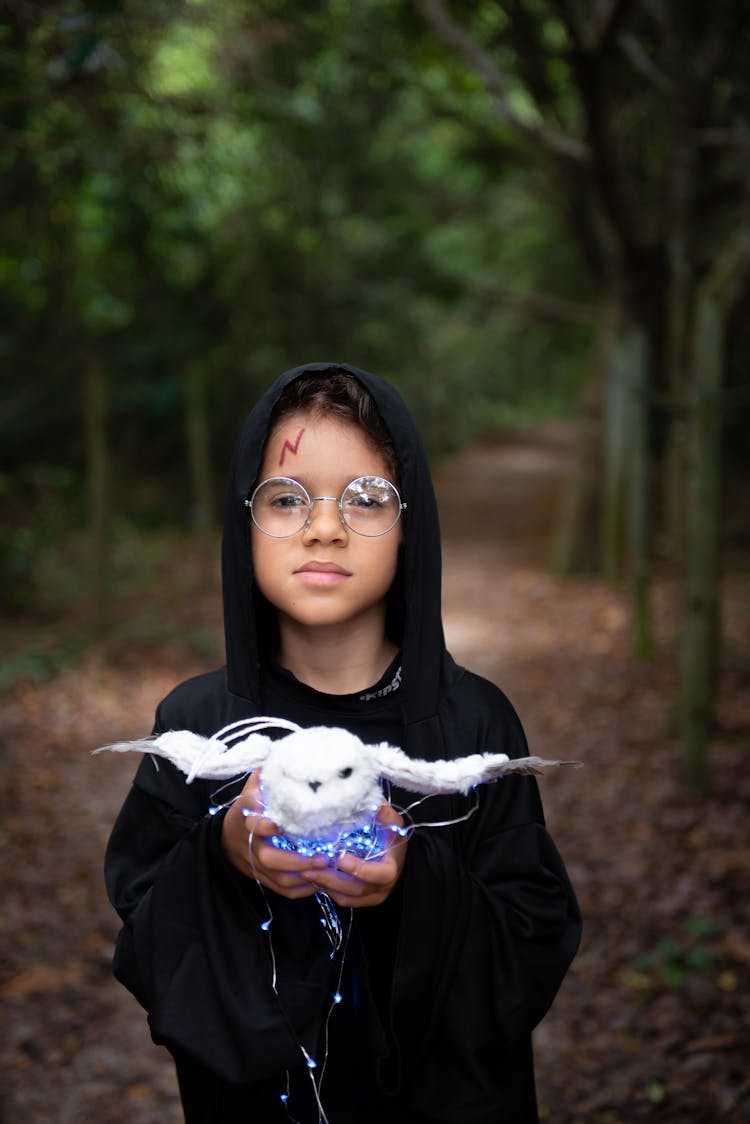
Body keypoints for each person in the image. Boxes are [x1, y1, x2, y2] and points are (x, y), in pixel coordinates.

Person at [105, 362, 581, 1124]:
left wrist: (414, 879)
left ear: (410, 522)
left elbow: (533, 942)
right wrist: (225, 855)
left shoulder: (476, 725)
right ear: (243, 523)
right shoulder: (196, 724)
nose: (324, 526)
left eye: (365, 500)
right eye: (287, 499)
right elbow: (148, 941)